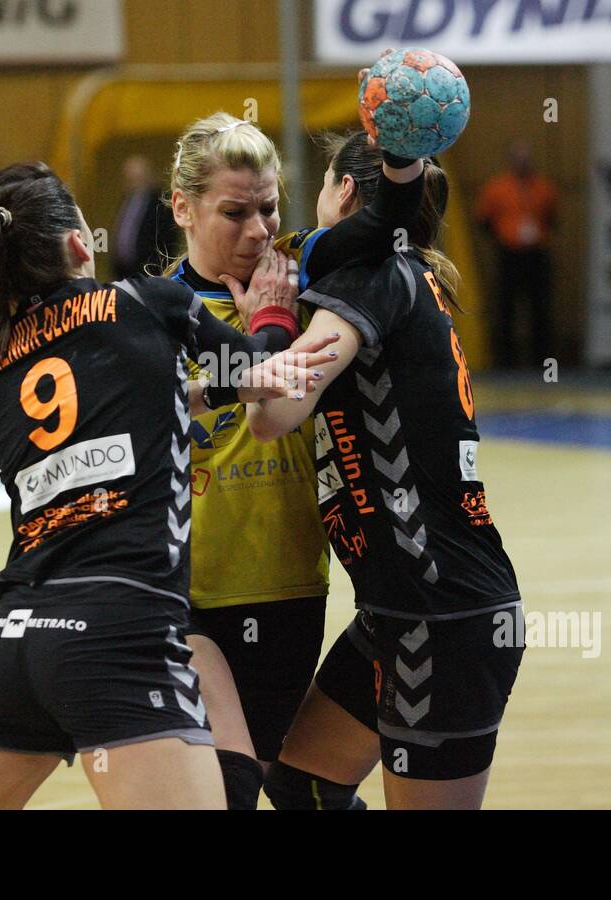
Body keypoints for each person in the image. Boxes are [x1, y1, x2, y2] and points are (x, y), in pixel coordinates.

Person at [0, 162, 337, 810]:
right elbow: (263, 370)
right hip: (117, 627)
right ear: (76, 245)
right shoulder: (148, 303)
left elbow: (104, 409)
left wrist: (200, 396)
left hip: (18, 638)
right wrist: (270, 317)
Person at [247, 131, 525, 810]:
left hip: (444, 615)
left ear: (345, 190)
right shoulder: (406, 275)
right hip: (400, 612)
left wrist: (271, 321)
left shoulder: (371, 278)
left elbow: (275, 413)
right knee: (301, 782)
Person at [165, 94, 429, 809]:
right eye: (233, 213)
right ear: (181, 208)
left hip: (288, 588)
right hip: (185, 594)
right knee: (223, 790)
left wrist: (404, 148)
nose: (258, 232)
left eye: (270, 210)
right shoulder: (155, 313)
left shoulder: (314, 286)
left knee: (291, 785)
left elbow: (393, 224)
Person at [473, 138, 558, 369]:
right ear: (511, 161)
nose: (522, 162)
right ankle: (506, 362)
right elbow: (483, 220)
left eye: (525, 157)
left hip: (536, 255)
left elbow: (552, 218)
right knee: (506, 308)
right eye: (518, 157)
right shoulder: (496, 188)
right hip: (508, 255)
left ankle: (541, 360)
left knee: (540, 308)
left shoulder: (544, 187)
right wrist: (503, 239)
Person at [110, 155, 177, 279]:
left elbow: (167, 239)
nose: (132, 181)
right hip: (123, 273)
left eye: (136, 176)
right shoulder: (126, 201)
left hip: (149, 273)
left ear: (148, 176)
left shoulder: (161, 203)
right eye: (128, 177)